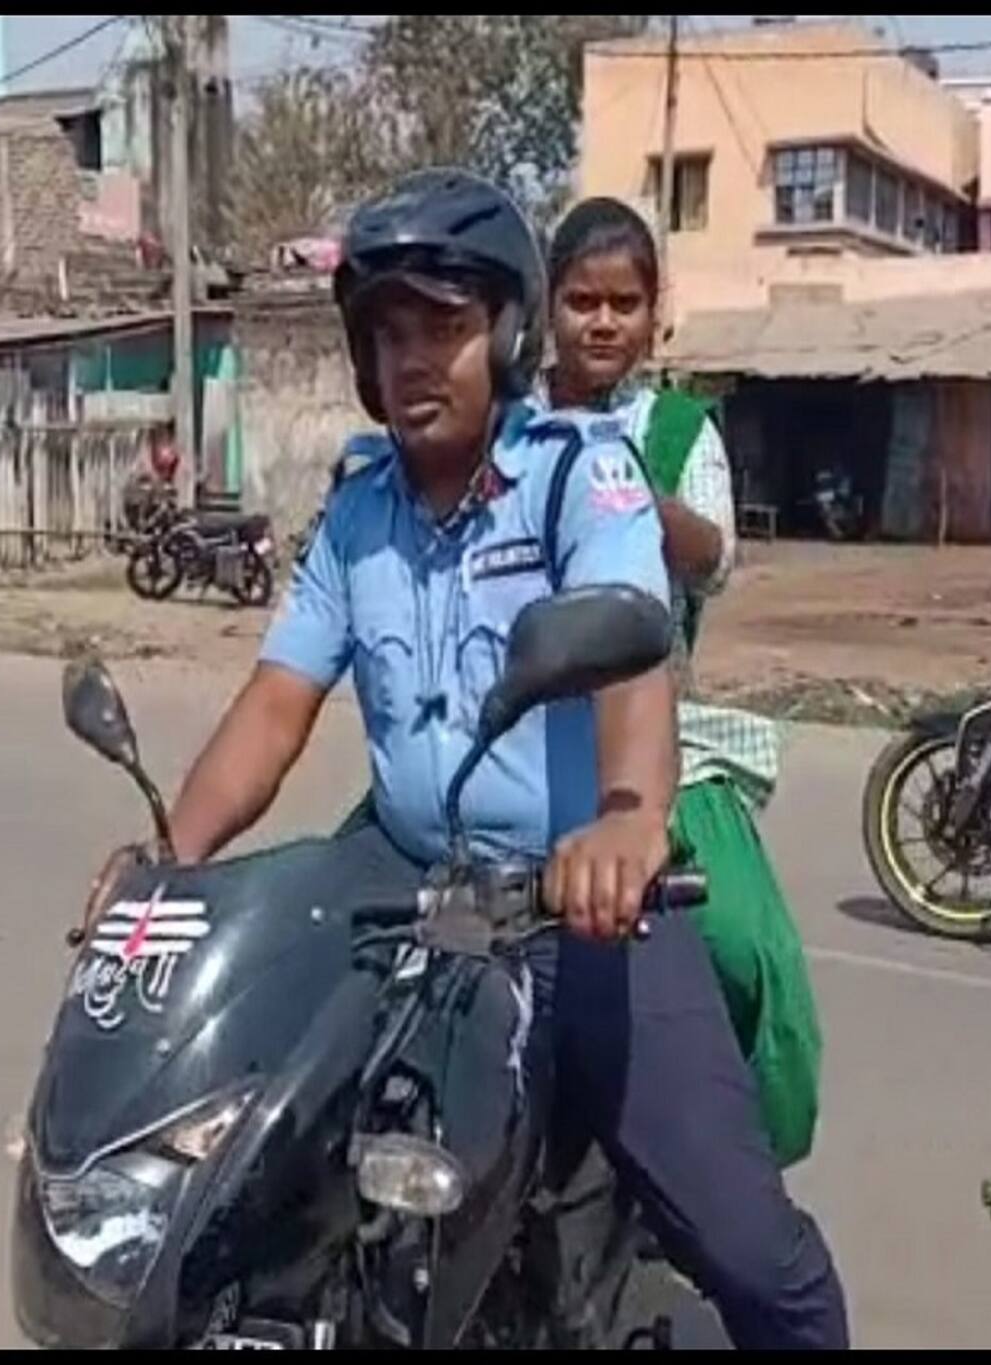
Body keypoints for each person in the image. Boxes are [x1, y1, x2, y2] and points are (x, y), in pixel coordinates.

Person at [86, 169, 846, 1348]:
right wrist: (167, 859)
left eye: (440, 328)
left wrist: (627, 820)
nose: (411, 361)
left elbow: (630, 657)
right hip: (402, 882)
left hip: (571, 902)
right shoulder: (357, 512)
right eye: (387, 335)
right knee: (245, 1156)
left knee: (748, 1251)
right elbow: (276, 704)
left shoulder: (579, 474)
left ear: (505, 333)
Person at [539, 196, 821, 1167]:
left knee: (745, 948)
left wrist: (629, 491)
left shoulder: (675, 427)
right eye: (581, 301)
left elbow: (712, 559)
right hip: (523, 723)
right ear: (548, 307)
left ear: (653, 315)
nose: (602, 322)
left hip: (655, 725)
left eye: (623, 303)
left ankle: (738, 1155)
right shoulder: (511, 419)